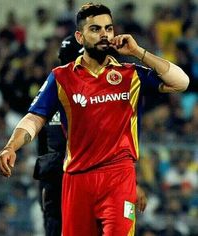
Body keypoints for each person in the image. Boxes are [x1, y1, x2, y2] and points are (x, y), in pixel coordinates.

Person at [0, 3, 189, 235]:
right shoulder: (61, 77)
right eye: (96, 29)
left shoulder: (130, 74)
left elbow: (181, 82)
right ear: (80, 37)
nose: (104, 35)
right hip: (77, 180)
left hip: (119, 177)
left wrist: (139, 52)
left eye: (108, 28)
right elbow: (35, 117)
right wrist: (11, 147)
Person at [34, 34, 147, 236]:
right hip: (64, 182)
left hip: (82, 180)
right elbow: (42, 139)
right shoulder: (58, 88)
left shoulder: (104, 93)